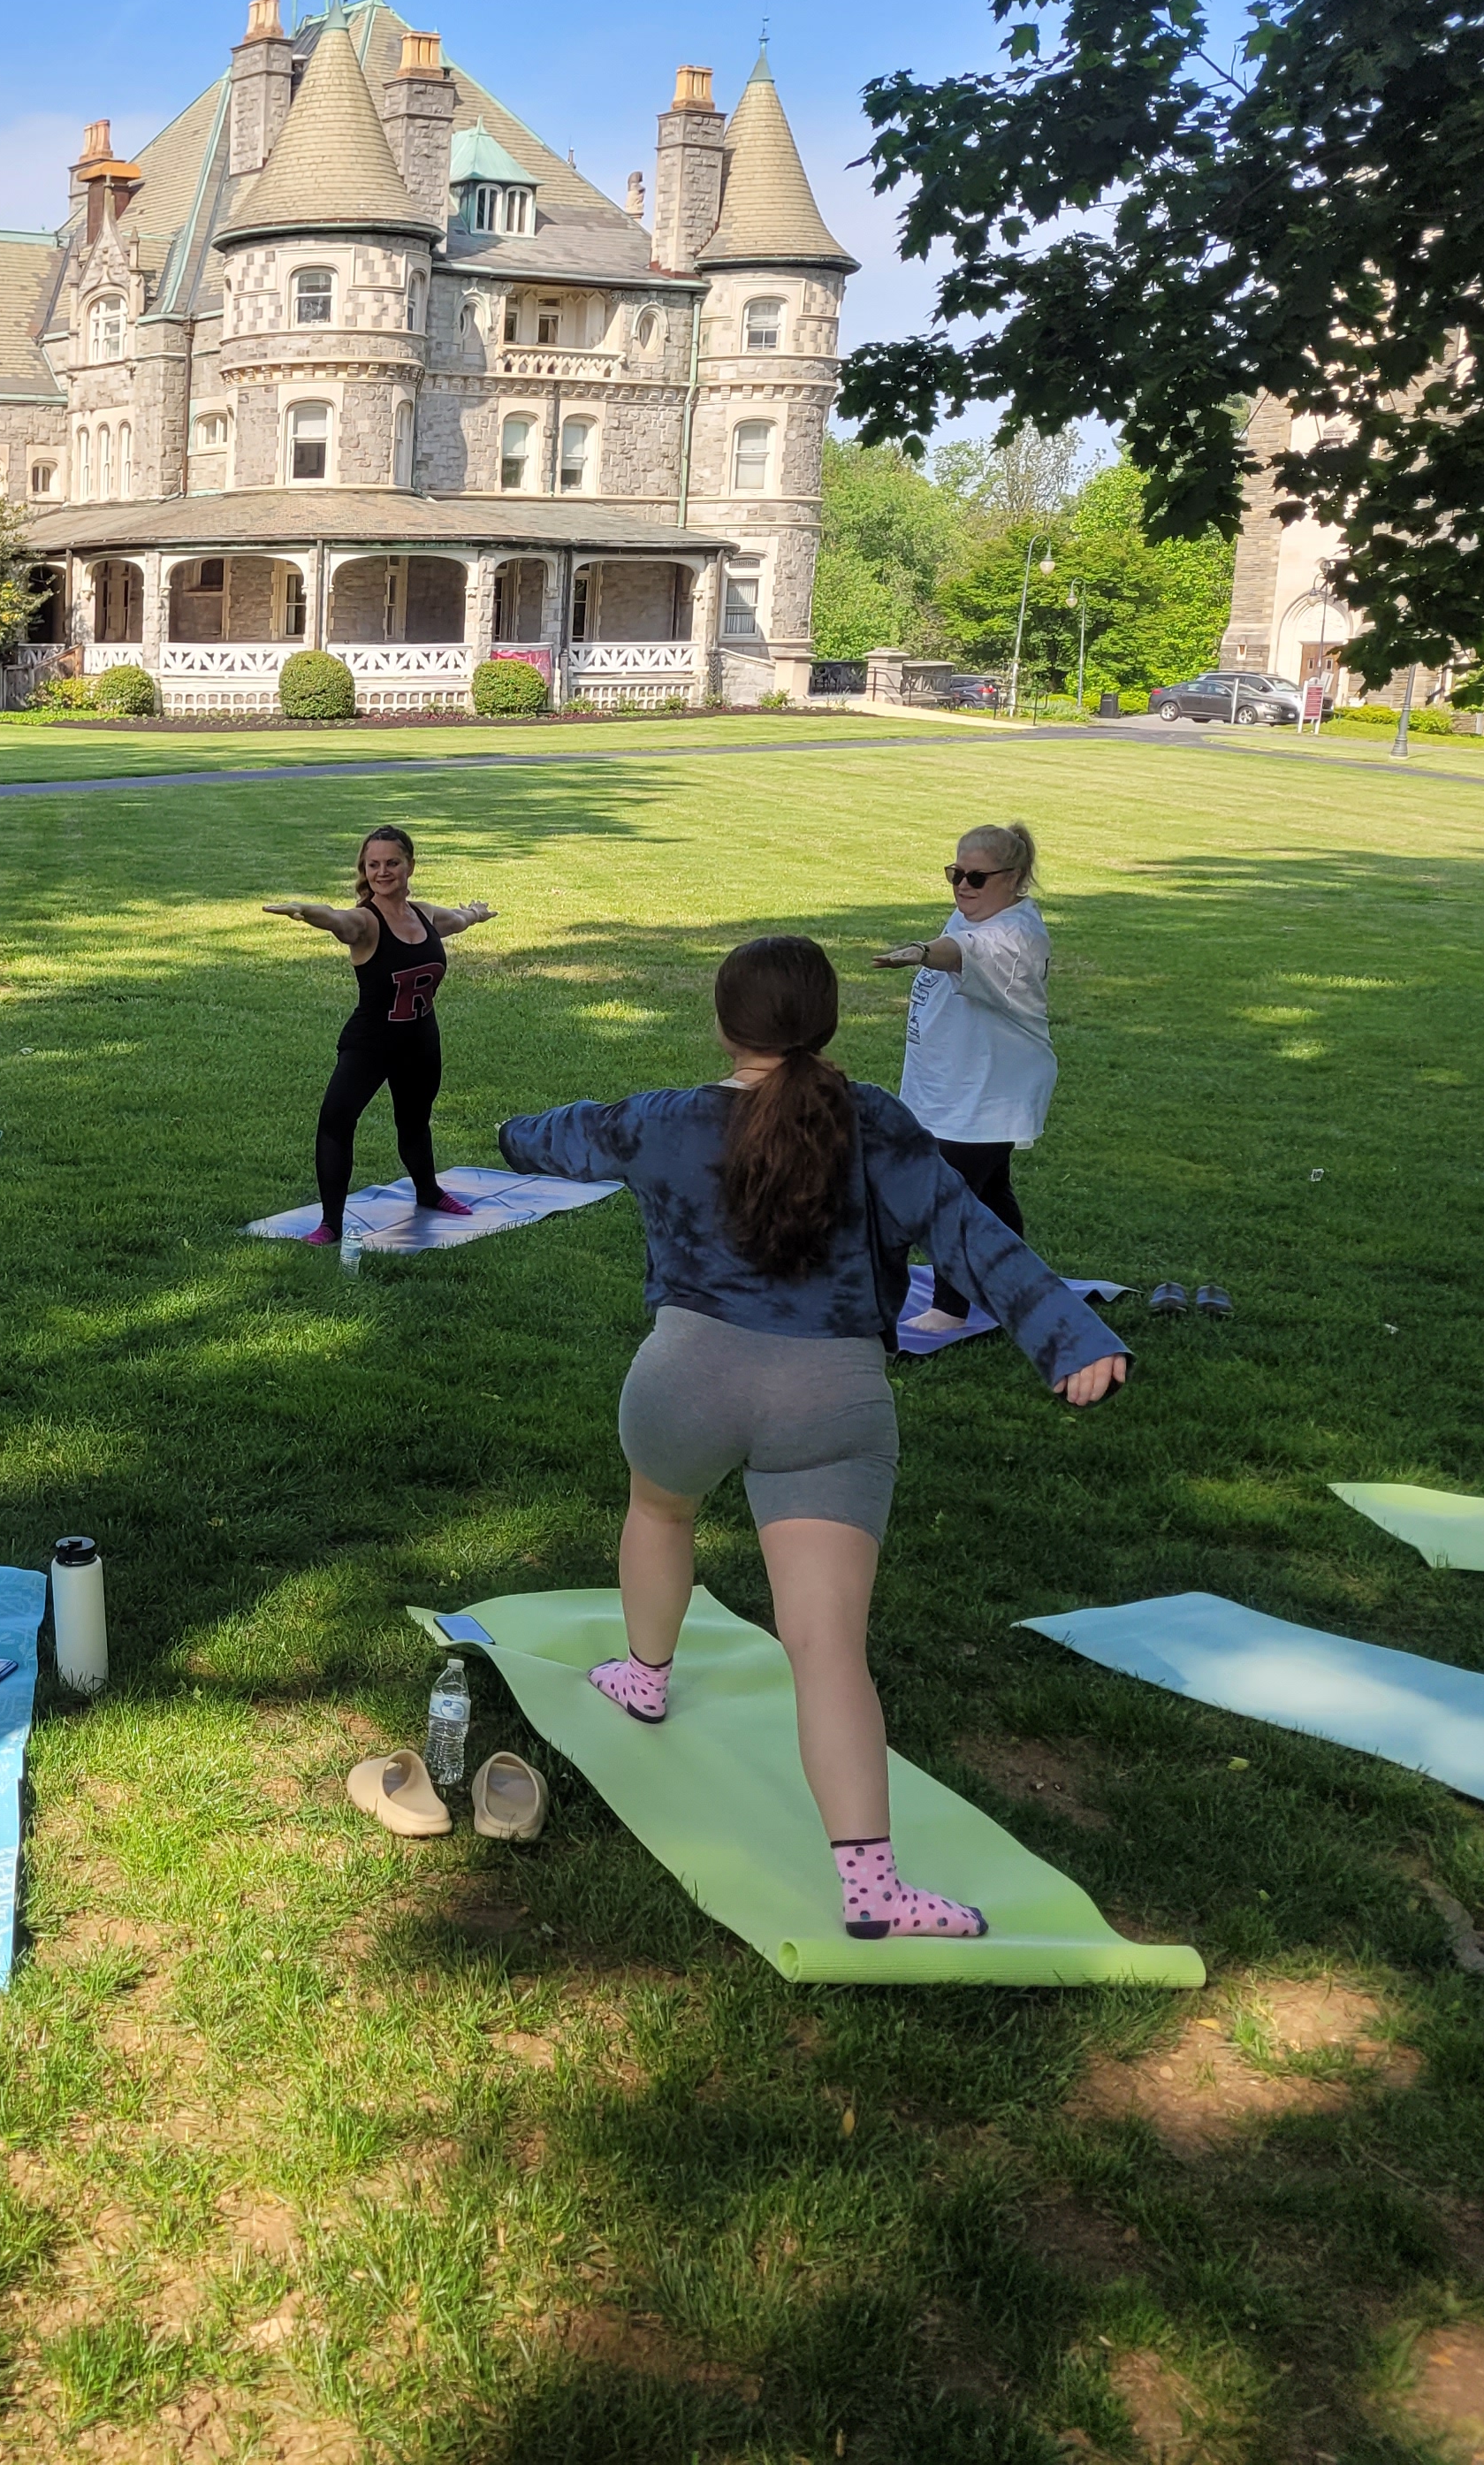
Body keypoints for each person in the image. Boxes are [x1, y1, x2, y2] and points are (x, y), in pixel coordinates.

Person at [497, 936, 1130, 1941]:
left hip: (682, 1381)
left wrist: (510, 1131)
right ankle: (872, 1890)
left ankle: (643, 1678)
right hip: (831, 1403)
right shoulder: (872, 1120)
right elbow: (973, 1234)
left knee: (659, 1511)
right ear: (829, 1021)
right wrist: (1071, 1338)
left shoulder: (665, 1119)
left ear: (722, 1022)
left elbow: (552, 1137)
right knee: (827, 1645)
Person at [263, 826, 494, 1240]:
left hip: (421, 1042)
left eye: (392, 863)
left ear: (409, 866)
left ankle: (428, 1191)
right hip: (371, 1045)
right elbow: (337, 920)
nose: (382, 872)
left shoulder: (426, 915)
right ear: (364, 870)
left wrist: (477, 911)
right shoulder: (365, 923)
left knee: (415, 1123)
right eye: (373, 865)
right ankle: (331, 1223)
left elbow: (459, 920)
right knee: (336, 1122)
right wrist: (306, 910)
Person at [870, 822, 1050, 1334]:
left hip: (987, 1097)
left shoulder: (1015, 938)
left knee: (942, 1201)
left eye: (976, 877)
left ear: (1013, 879)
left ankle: (949, 1310)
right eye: (955, 875)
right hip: (956, 1091)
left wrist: (921, 952)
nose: (963, 887)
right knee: (988, 1193)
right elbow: (961, 940)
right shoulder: (981, 909)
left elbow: (961, 953)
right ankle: (1014, 1288)